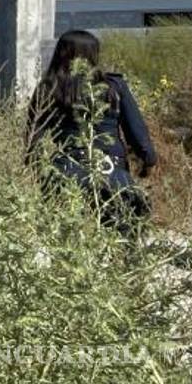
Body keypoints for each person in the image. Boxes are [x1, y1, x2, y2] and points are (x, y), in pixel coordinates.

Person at [27, 29, 156, 237]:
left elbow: (34, 138)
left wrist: (40, 171)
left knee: (67, 241)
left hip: (66, 170)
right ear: (93, 55)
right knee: (123, 236)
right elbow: (137, 132)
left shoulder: (47, 88)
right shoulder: (113, 87)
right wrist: (147, 160)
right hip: (111, 170)